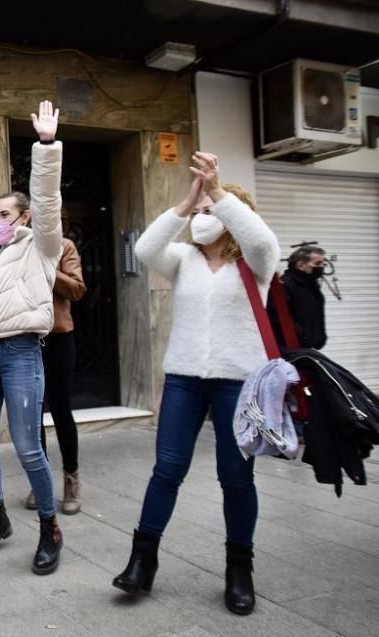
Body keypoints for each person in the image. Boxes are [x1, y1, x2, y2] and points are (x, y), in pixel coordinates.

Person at [113, 152, 281, 615]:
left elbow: (263, 241)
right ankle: (142, 562)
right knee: (167, 470)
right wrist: (187, 203)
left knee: (235, 478)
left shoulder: (254, 263)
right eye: (202, 212)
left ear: (231, 217)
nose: (204, 218)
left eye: (212, 213)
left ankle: (239, 569)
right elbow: (145, 249)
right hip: (185, 379)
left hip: (236, 385)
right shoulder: (182, 258)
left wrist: (220, 193)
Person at [0, 100, 65, 575]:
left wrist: (45, 146)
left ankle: (49, 526)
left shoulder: (41, 246)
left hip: (22, 353)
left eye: (6, 213)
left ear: (23, 218)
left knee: (27, 448)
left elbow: (47, 203)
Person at [27, 233, 86, 514]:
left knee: (62, 410)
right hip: (27, 337)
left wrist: (47, 267)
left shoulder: (65, 247)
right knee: (32, 413)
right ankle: (41, 481)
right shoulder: (21, 248)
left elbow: (76, 289)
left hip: (59, 336)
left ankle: (71, 480)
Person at [272, 245, 327, 350]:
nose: (321, 267)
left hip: (308, 348)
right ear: (301, 265)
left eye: (323, 263)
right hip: (293, 351)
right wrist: (303, 336)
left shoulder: (311, 284)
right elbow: (278, 317)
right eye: (317, 263)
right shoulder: (285, 285)